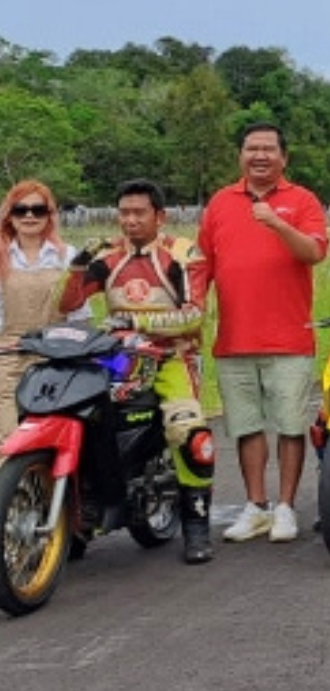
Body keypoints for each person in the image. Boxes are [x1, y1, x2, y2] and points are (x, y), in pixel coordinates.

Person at [58, 180, 216, 563]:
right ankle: (78, 513)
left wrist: (135, 321)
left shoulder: (183, 253)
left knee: (187, 427)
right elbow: (67, 303)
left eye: (139, 213)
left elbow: (194, 314)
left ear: (160, 216)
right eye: (124, 213)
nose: (130, 220)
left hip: (172, 356)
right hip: (118, 357)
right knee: (79, 413)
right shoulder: (107, 255)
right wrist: (77, 267)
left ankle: (196, 524)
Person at [199, 123, 328, 544]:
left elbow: (315, 252)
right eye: (251, 148)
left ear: (283, 157)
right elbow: (203, 265)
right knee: (245, 426)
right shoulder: (220, 202)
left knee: (290, 425)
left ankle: (286, 506)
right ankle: (255, 505)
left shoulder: (302, 200)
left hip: (289, 338)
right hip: (235, 338)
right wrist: (192, 310)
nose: (259, 155)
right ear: (241, 155)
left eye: (268, 149)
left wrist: (277, 223)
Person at [0, 181, 85, 438]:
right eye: (21, 209)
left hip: (57, 353)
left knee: (58, 430)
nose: (29, 216)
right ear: (10, 215)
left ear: (49, 215)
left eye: (38, 209)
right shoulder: (2, 257)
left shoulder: (67, 256)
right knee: (9, 432)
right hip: (10, 353)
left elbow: (79, 313)